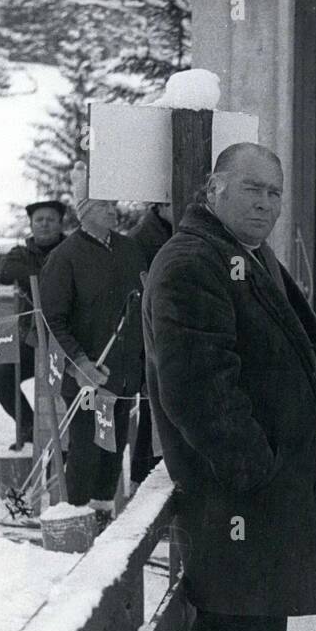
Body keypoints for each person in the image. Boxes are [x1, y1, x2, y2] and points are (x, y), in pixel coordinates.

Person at [144, 143, 316, 631]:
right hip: (234, 490)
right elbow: (198, 384)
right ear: (214, 187)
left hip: (262, 487)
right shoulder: (194, 261)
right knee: (236, 619)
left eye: (275, 193)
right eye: (252, 189)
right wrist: (255, 469)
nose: (265, 203)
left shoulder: (243, 253)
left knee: (264, 613)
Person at [37, 164, 144, 526]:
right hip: (88, 374)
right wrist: (80, 363)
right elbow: (54, 318)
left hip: (124, 370)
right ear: (84, 211)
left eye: (113, 204)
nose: (112, 210)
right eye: (102, 205)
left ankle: (102, 513)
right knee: (87, 447)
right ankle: (75, 515)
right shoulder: (65, 257)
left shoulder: (131, 250)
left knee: (114, 448)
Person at [0, 200, 65, 444]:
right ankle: (29, 426)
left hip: (66, 339)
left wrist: (35, 279)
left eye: (50, 219)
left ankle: (67, 438)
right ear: (32, 224)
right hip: (32, 337)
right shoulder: (20, 252)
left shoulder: (71, 250)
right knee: (0, 376)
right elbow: (5, 272)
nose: (44, 224)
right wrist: (43, 279)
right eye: (39, 220)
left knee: (62, 389)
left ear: (60, 223)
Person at [127, 202, 177, 485]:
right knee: (150, 411)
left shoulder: (167, 232)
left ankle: (143, 478)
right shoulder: (143, 238)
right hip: (149, 335)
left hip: (160, 331)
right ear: (161, 206)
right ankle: (141, 480)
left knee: (154, 412)